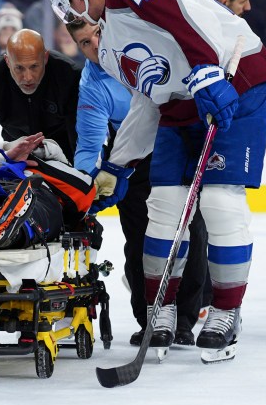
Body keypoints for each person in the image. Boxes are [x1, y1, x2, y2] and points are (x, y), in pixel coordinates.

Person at [47, 0, 266, 362]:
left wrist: (208, 68)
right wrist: (120, 163)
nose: (71, 21)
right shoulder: (106, 50)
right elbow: (147, 101)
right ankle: (162, 310)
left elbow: (187, 18)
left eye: (69, 9)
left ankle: (227, 311)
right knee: (164, 206)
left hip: (237, 81)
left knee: (219, 202)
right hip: (184, 102)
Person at [67, 18, 210, 347]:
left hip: (180, 141)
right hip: (130, 161)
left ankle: (185, 320)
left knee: (189, 231)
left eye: (97, 35)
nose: (95, 47)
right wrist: (82, 194)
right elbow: (89, 147)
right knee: (139, 240)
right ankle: (149, 319)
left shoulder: (142, 45)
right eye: (84, 44)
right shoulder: (92, 84)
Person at [0, 28, 81, 164]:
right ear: (7, 61)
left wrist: (81, 175)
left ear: (45, 58)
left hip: (63, 155)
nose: (28, 77)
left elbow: (80, 138)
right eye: (19, 68)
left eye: (34, 66)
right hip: (14, 154)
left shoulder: (68, 76)